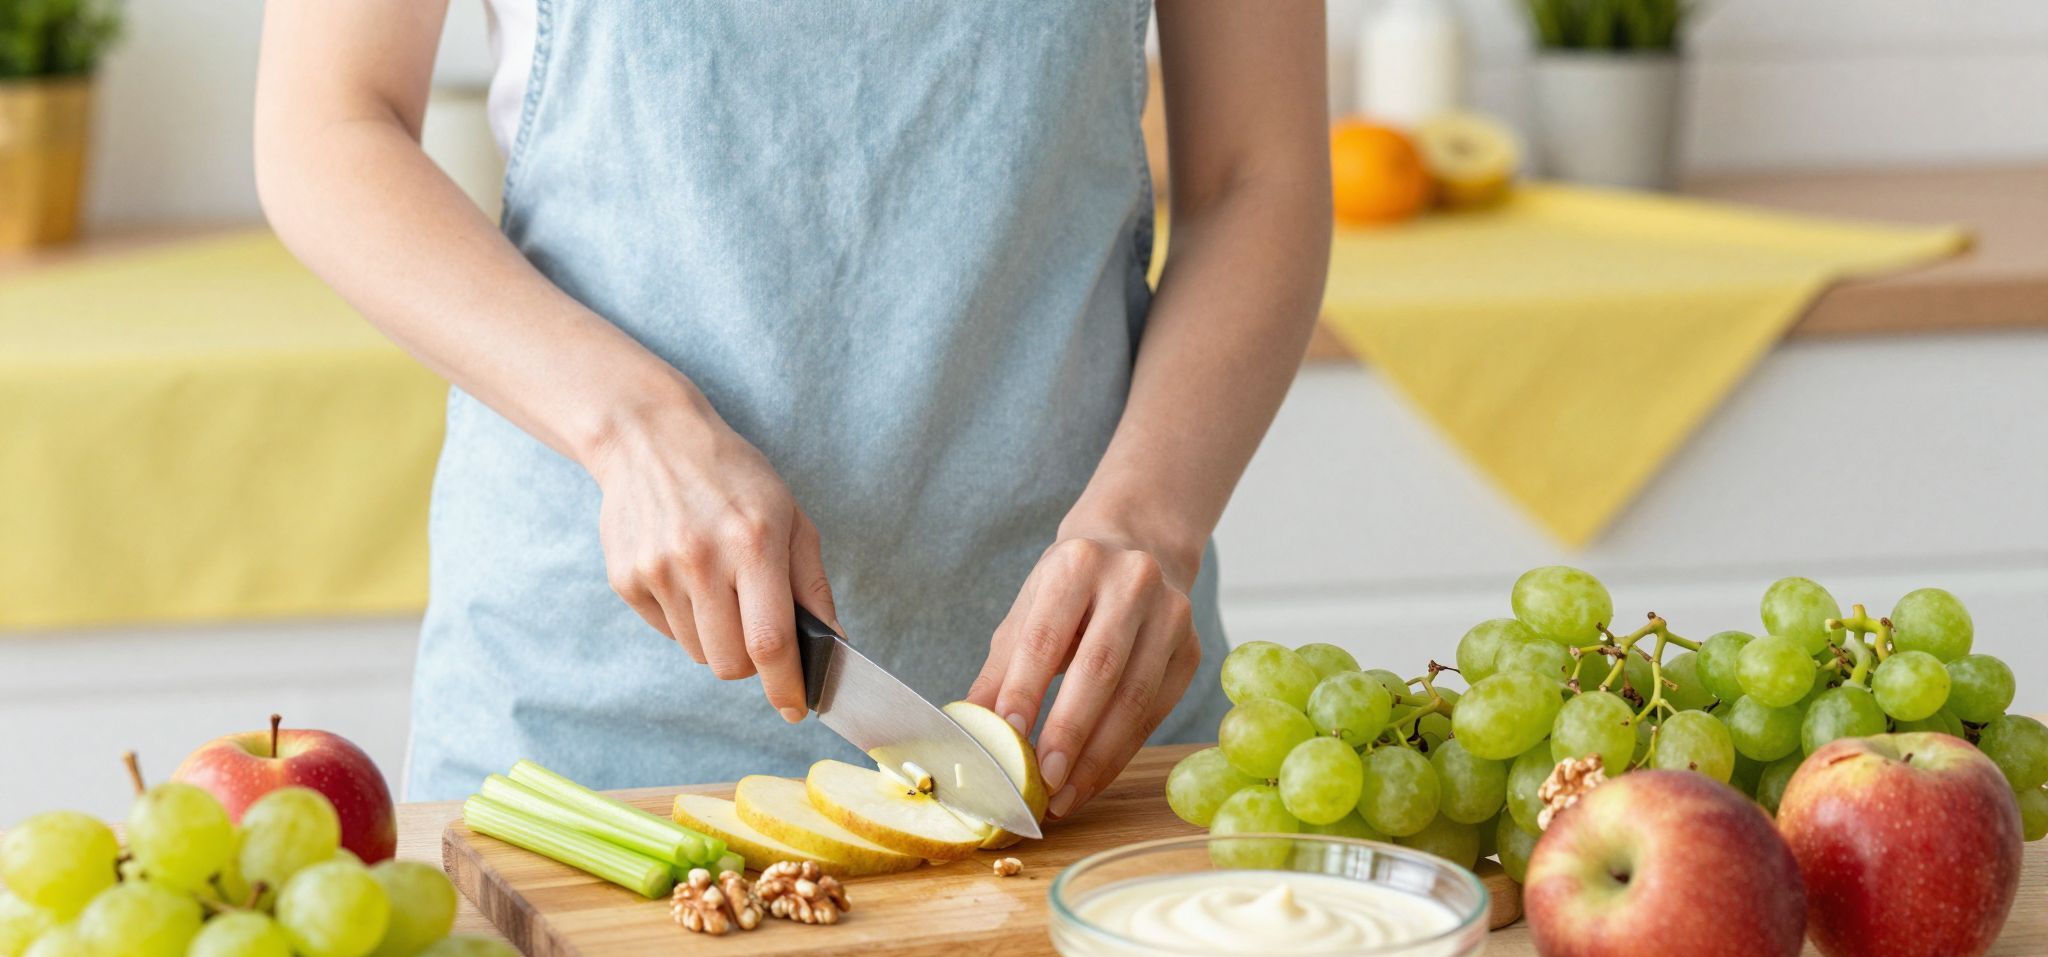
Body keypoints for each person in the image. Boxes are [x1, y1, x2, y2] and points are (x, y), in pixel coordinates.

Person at [254, 0, 1330, 818]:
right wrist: (636, 427)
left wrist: (1151, 517)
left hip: (1073, 719)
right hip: (581, 731)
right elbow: (329, 121)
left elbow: (1257, 173)